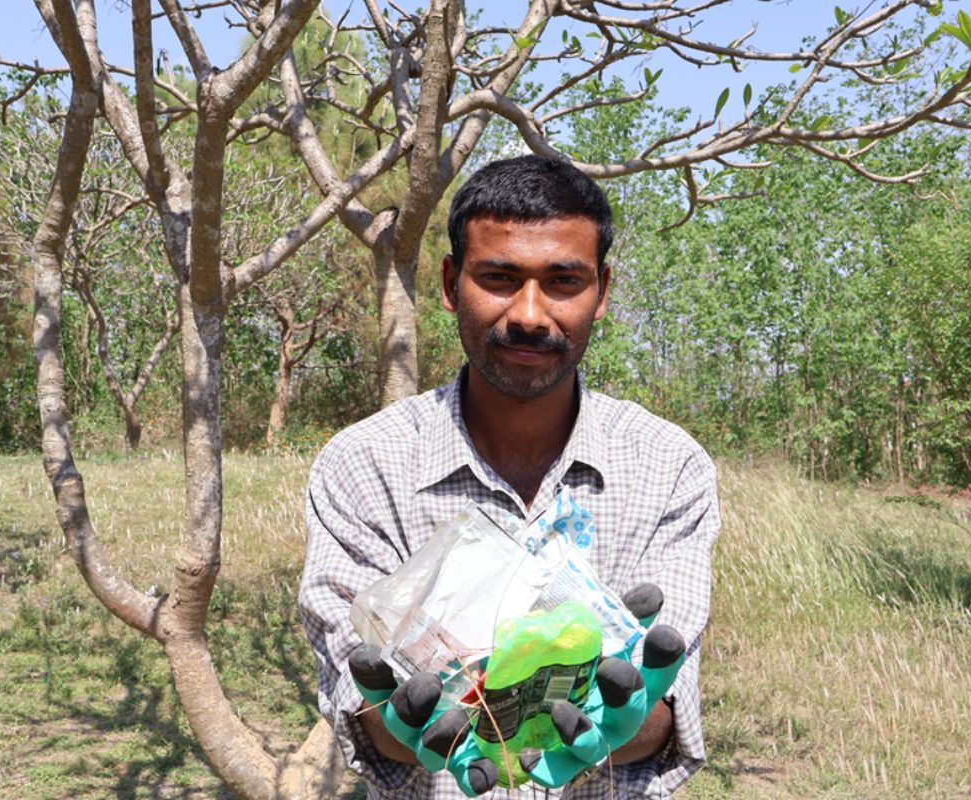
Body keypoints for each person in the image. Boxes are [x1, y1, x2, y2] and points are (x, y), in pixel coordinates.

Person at [298, 155, 720, 799]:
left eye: (562, 281)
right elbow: (365, 711)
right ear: (449, 282)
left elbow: (660, 709)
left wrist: (624, 718)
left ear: (601, 293)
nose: (528, 312)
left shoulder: (670, 466)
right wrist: (399, 721)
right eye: (498, 276)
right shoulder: (363, 466)